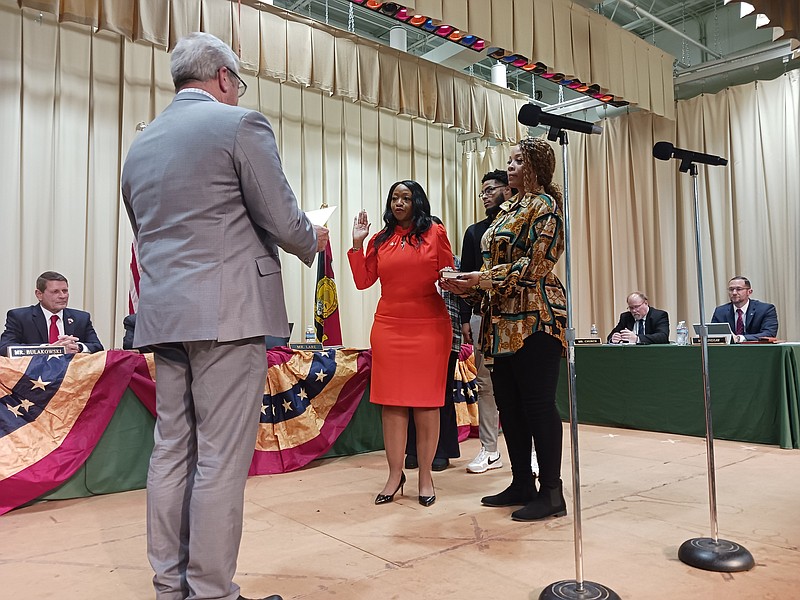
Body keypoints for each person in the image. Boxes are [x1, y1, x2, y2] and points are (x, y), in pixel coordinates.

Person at [121, 32, 326, 600]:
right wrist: (315, 236)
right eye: (238, 83)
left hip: (164, 315)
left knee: (171, 449)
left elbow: (147, 235)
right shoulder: (240, 125)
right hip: (228, 314)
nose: (238, 92)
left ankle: (171, 587)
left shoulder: (140, 147)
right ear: (223, 77)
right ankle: (211, 591)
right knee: (219, 456)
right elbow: (283, 218)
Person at [442, 137, 568, 522]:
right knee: (509, 408)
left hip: (535, 319)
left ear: (534, 167)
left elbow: (534, 267)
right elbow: (492, 262)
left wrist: (480, 279)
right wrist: (467, 284)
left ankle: (551, 492)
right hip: (499, 321)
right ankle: (520, 483)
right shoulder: (507, 209)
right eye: (509, 160)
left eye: (517, 161)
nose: (509, 166)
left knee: (537, 405)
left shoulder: (546, 207)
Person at [348, 180, 454, 508]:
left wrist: (460, 280)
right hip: (389, 328)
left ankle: (425, 475)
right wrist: (356, 243)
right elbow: (364, 281)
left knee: (426, 404)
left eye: (405, 198)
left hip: (428, 328)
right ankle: (395, 475)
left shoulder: (434, 232)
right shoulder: (380, 240)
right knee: (391, 403)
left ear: (417, 202)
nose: (398, 203)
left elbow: (448, 273)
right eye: (394, 198)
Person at [459, 170, 510, 474]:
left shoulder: (518, 224)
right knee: (485, 384)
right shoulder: (474, 231)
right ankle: (489, 449)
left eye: (492, 189)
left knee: (519, 383)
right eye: (483, 192)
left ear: (508, 188)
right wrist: (466, 318)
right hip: (482, 315)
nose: (487, 195)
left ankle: (529, 450)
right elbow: (465, 276)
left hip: (517, 315)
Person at [405, 253, 462, 472]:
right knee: (410, 395)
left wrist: (465, 322)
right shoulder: (411, 260)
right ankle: (413, 449)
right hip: (413, 338)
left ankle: (441, 450)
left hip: (448, 336)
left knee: (442, 395)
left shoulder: (454, 262)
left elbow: (464, 297)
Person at [0, 271, 103, 356]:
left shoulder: (81, 318)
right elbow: (5, 348)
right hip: (34, 376)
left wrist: (78, 347)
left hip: (72, 375)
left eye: (65, 291)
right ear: (39, 294)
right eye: (55, 292)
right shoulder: (20, 317)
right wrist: (48, 349)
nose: (63, 296)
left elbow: (98, 347)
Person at [711, 276, 778, 342]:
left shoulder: (765, 309)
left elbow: (769, 333)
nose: (734, 293)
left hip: (756, 350)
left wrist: (740, 338)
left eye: (739, 289)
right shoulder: (720, 311)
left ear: (749, 292)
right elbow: (713, 334)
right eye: (731, 289)